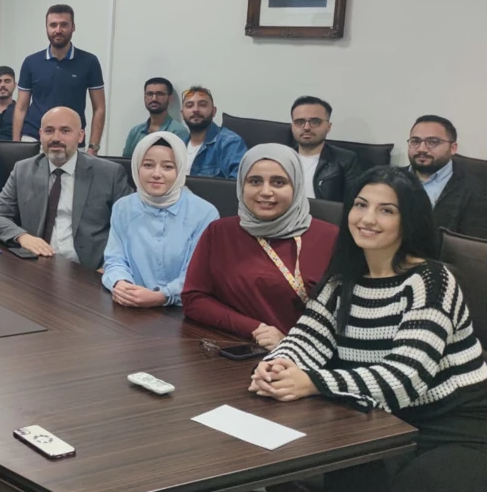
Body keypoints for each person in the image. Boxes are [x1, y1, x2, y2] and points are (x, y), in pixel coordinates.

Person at [256, 167, 487, 492]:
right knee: (351, 481)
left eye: (386, 210)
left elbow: (405, 378)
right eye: (360, 205)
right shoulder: (343, 278)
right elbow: (306, 338)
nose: (367, 219)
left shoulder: (432, 281)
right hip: (380, 419)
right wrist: (278, 365)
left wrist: (313, 381)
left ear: (409, 220)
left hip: (455, 423)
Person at [182, 145, 339, 348]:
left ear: (297, 185)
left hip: (305, 357)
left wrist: (292, 344)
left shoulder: (329, 237)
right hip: (232, 348)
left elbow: (342, 316)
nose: (265, 192)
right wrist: (255, 329)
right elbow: (194, 299)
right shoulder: (219, 232)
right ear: (241, 185)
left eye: (278, 182)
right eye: (255, 181)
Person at [0, 107, 131, 270]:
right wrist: (22, 236)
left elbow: (131, 228)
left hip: (88, 270)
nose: (56, 138)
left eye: (65, 131)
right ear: (40, 134)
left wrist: (111, 268)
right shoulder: (23, 169)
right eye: (49, 131)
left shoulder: (109, 174)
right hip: (38, 265)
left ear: (80, 136)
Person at [101, 133, 218, 307]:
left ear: (180, 169)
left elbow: (199, 274)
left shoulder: (205, 213)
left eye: (168, 167)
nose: (156, 174)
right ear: (136, 167)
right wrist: (120, 283)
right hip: (131, 305)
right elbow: (115, 259)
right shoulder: (123, 207)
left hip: (185, 309)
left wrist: (162, 296)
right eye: (148, 165)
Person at [13, 5, 105, 151]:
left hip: (72, 139)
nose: (58, 30)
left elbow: (99, 108)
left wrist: (93, 148)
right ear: (46, 28)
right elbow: (21, 108)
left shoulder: (89, 62)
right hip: (33, 139)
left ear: (73, 27)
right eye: (53, 25)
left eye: (64, 25)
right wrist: (16, 146)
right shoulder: (31, 62)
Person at [407, 115, 487, 238]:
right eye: (415, 141)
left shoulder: (476, 191)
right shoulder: (389, 180)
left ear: (453, 148)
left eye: (432, 142)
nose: (421, 149)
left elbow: (471, 244)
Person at [289, 95, 360, 202]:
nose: (307, 127)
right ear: (292, 126)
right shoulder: (281, 158)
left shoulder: (346, 160)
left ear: (328, 127)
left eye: (315, 122)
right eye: (299, 122)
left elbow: (352, 203)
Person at [179, 86, 247, 179]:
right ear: (182, 114)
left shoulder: (230, 142)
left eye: (202, 105)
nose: (195, 109)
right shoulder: (178, 145)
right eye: (189, 106)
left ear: (214, 111)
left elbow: (239, 183)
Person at [121, 77, 188, 157]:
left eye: (160, 94)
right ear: (145, 97)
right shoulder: (135, 131)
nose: (154, 98)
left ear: (170, 98)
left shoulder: (178, 132)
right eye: (150, 94)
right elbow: (125, 161)